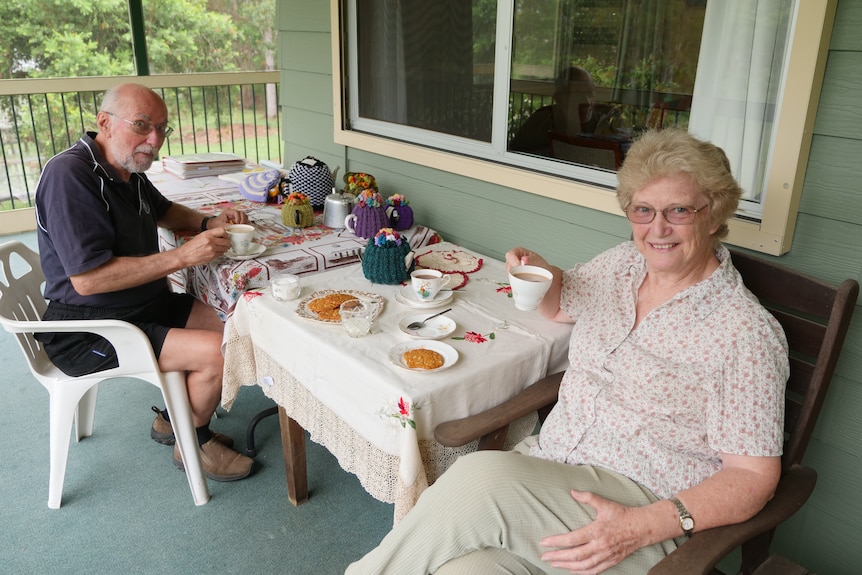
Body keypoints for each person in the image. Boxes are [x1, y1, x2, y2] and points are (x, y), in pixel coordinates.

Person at [346, 129, 789, 574]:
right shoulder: (623, 265)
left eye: (678, 210)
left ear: (714, 215)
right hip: (551, 471)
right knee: (462, 569)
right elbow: (559, 305)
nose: (657, 228)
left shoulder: (744, 332)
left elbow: (752, 478)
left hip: (640, 513)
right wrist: (539, 272)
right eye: (643, 210)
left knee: (477, 480)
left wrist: (640, 526)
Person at [34, 83, 254, 482]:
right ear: (104, 122)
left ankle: (173, 420)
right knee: (218, 353)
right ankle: (193, 443)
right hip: (90, 326)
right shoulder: (71, 176)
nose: (153, 140)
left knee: (232, 328)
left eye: (162, 129)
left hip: (141, 305)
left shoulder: (125, 166)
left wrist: (208, 223)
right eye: (141, 125)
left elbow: (164, 210)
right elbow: (88, 280)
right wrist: (183, 256)